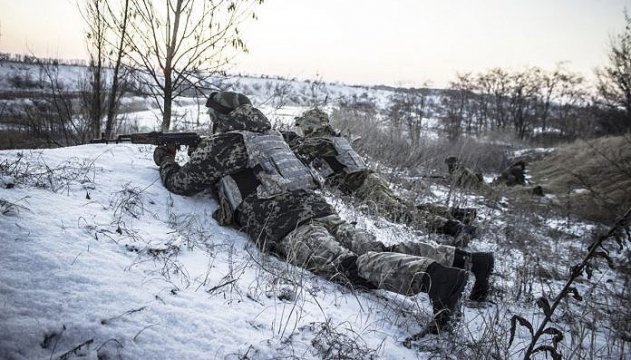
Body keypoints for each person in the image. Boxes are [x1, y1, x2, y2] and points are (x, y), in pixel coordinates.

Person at [153, 92, 493, 332]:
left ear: (219, 117)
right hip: (320, 209)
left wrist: (166, 159)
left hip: (286, 222)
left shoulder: (224, 142)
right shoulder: (273, 135)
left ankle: (437, 280)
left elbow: (183, 183)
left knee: (346, 267)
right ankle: (469, 261)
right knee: (378, 249)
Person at [284, 108, 478, 247]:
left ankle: (455, 228)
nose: (302, 130)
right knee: (406, 208)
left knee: (402, 214)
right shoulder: (334, 138)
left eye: (305, 127)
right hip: (369, 180)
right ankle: (458, 214)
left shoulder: (323, 141)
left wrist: (284, 138)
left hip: (364, 185)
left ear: (312, 126)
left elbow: (297, 151)